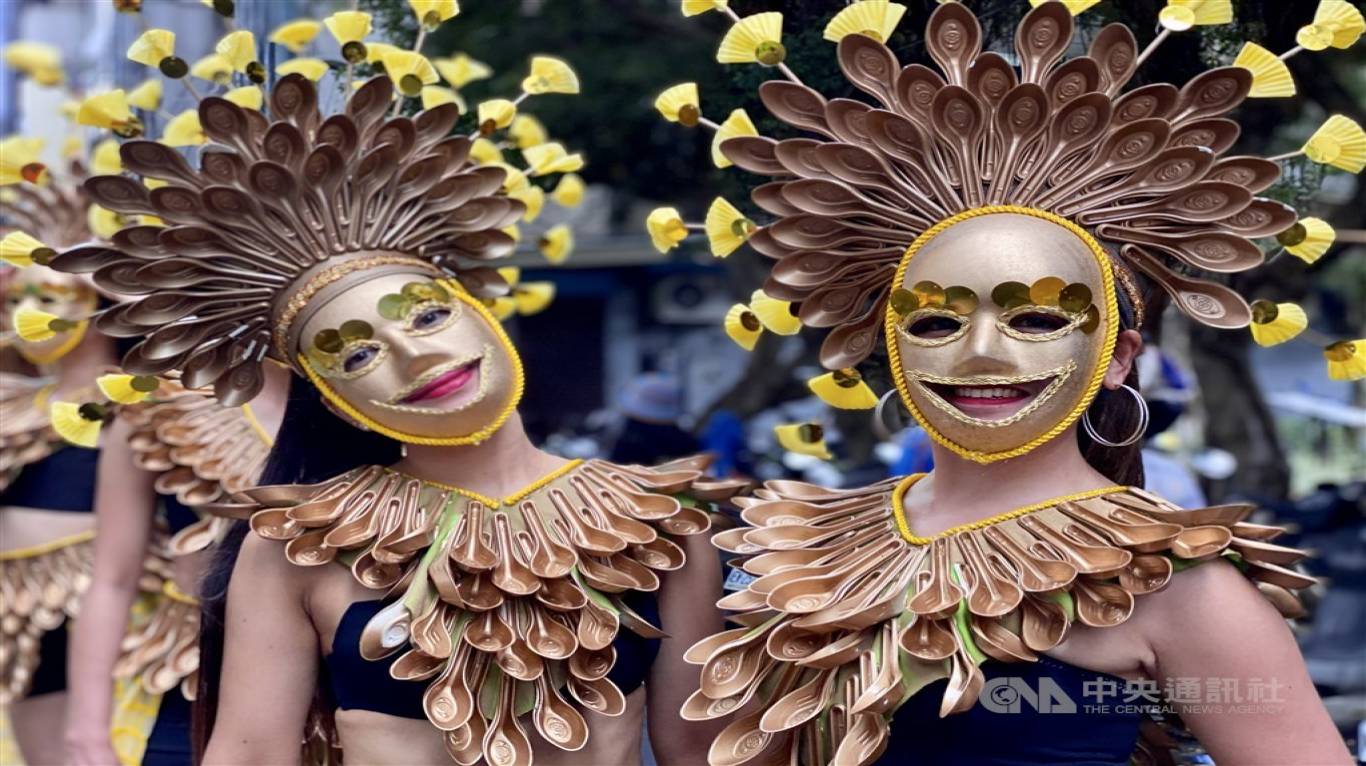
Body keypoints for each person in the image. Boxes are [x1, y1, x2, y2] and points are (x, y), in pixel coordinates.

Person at [656, 1, 1362, 764]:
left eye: (1033, 321)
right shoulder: (804, 545)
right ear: (890, 347)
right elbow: (699, 752)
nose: (981, 354)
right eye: (933, 324)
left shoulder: (1174, 583)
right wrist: (684, 553)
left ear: (1118, 357)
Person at [41, 6, 745, 765]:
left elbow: (698, 751)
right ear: (329, 394)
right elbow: (248, 754)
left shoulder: (663, 528)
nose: (414, 356)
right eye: (353, 355)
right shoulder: (301, 545)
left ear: (481, 310)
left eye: (428, 314)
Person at [62, 369, 288, 766]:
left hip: (350, 680)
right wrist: (87, 734)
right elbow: (112, 579)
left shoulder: (382, 401)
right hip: (194, 677)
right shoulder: (155, 402)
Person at [0, 168, 117, 765]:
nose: (25, 313)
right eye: (16, 297)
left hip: (121, 612)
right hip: (15, 617)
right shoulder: (8, 400)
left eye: (45, 297)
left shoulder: (142, 408)